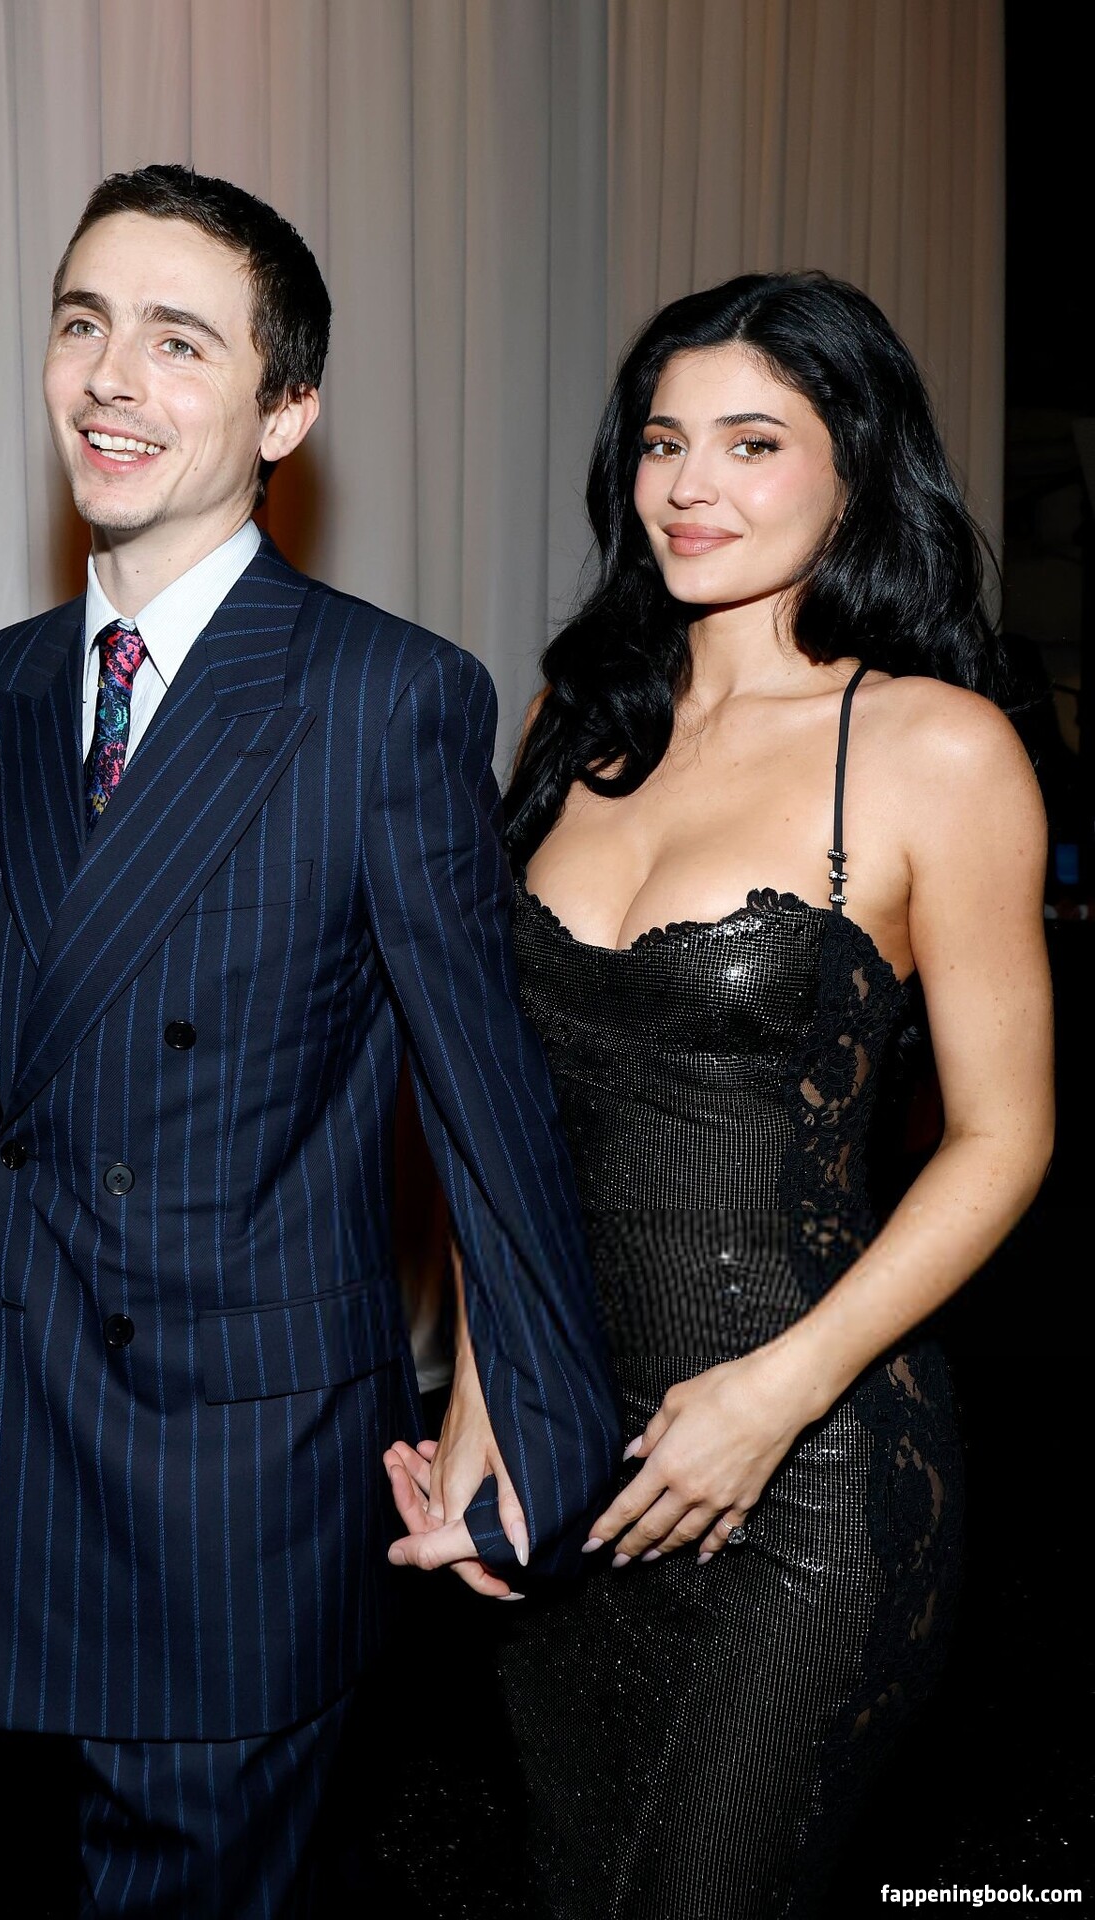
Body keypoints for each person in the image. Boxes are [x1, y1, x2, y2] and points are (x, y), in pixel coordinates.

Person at [0, 162, 620, 1918]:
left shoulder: (383, 695)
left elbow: (484, 1099)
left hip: (244, 1455)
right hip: (28, 1406)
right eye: (83, 324)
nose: (110, 378)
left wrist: (534, 1426)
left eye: (178, 341)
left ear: (287, 411)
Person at [386, 271, 1053, 1917]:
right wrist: (488, 1395)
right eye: (663, 441)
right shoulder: (574, 724)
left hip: (808, 1472)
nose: (689, 486)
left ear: (857, 466)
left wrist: (777, 1394)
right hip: (578, 1455)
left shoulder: (938, 748)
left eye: (753, 443)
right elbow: (498, 1111)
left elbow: (1004, 1136)